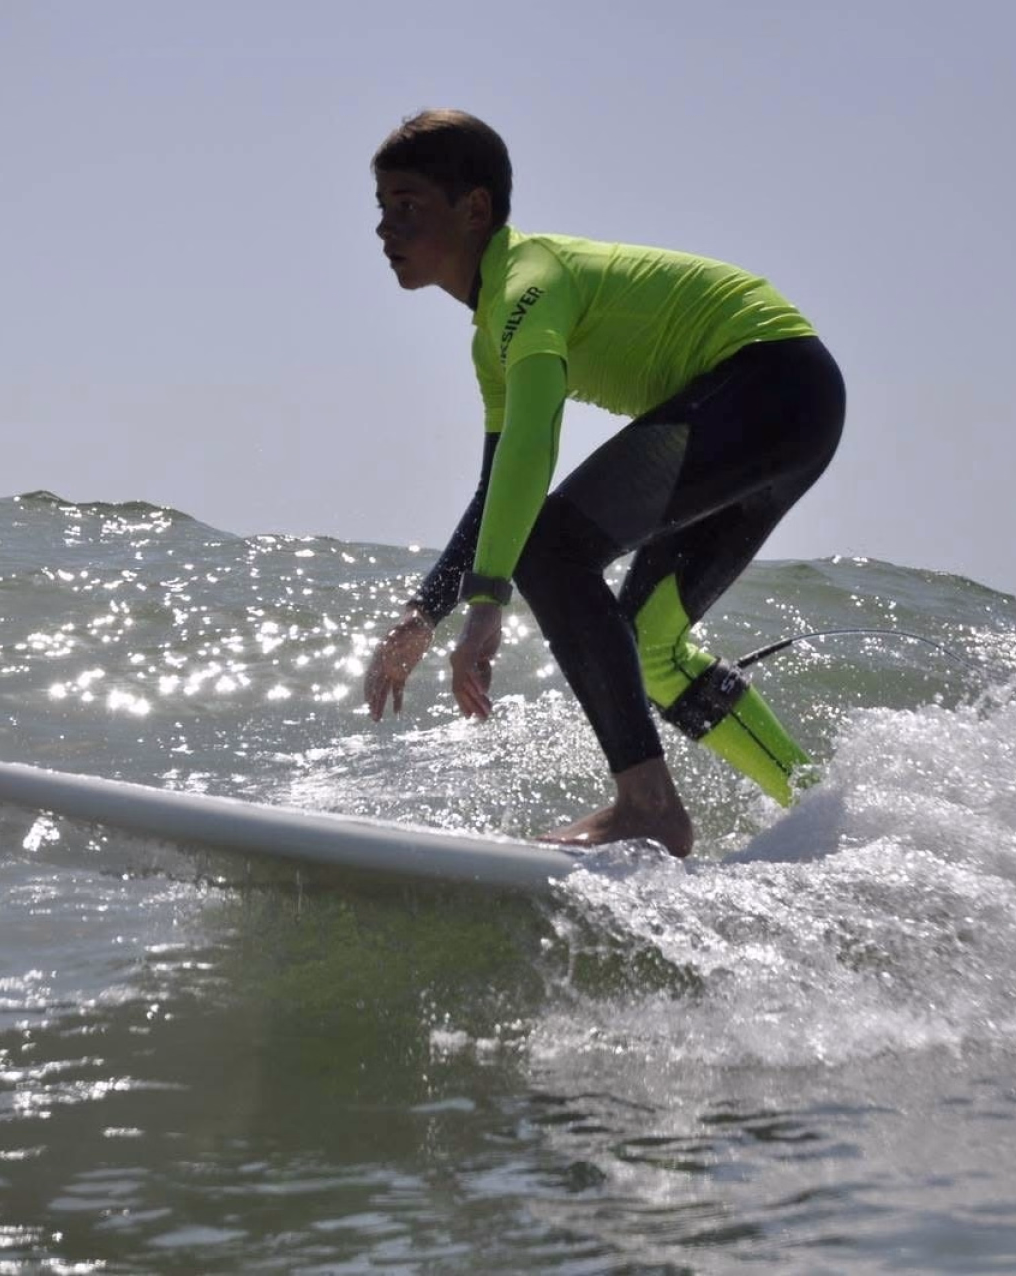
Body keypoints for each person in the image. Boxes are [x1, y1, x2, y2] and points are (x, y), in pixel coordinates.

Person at [361, 109, 845, 859]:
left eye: (407, 206)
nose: (385, 229)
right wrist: (425, 612)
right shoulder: (493, 337)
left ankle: (647, 804)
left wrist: (488, 604)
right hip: (791, 406)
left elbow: (533, 446)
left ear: (475, 208)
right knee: (652, 644)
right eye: (381, 210)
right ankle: (823, 817)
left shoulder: (528, 281)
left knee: (551, 547)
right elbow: (499, 487)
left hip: (768, 377)